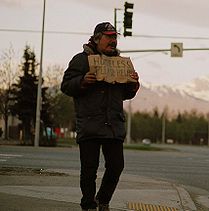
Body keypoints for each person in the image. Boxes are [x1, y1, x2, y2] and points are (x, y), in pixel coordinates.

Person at [61, 22, 139, 211]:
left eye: (115, 37)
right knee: (89, 169)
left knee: (116, 166)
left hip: (113, 124)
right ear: (97, 39)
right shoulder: (81, 60)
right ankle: (88, 205)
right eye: (109, 36)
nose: (113, 40)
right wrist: (82, 81)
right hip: (90, 123)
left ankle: (103, 200)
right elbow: (65, 86)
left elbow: (125, 94)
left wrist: (133, 85)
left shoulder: (121, 63)